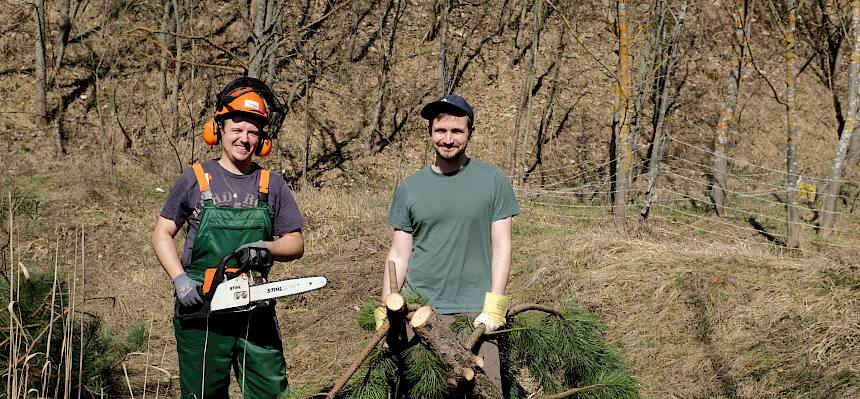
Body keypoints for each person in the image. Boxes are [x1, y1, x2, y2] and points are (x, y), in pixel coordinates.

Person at [151, 77, 304, 399]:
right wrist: (180, 279)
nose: (244, 139)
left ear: (262, 139)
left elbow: (295, 242)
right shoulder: (195, 179)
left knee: (270, 391)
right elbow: (162, 232)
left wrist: (267, 248)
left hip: (255, 303)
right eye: (237, 129)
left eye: (252, 132)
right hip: (202, 302)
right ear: (217, 130)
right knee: (202, 392)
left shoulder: (271, 184)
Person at [378, 95, 520, 393]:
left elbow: (502, 246)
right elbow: (399, 254)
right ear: (430, 133)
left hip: (475, 315)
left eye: (457, 131)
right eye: (441, 130)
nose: (448, 139)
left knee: (484, 391)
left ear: (470, 133)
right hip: (418, 314)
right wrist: (386, 305)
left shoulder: (493, 179)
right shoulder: (410, 187)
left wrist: (494, 306)